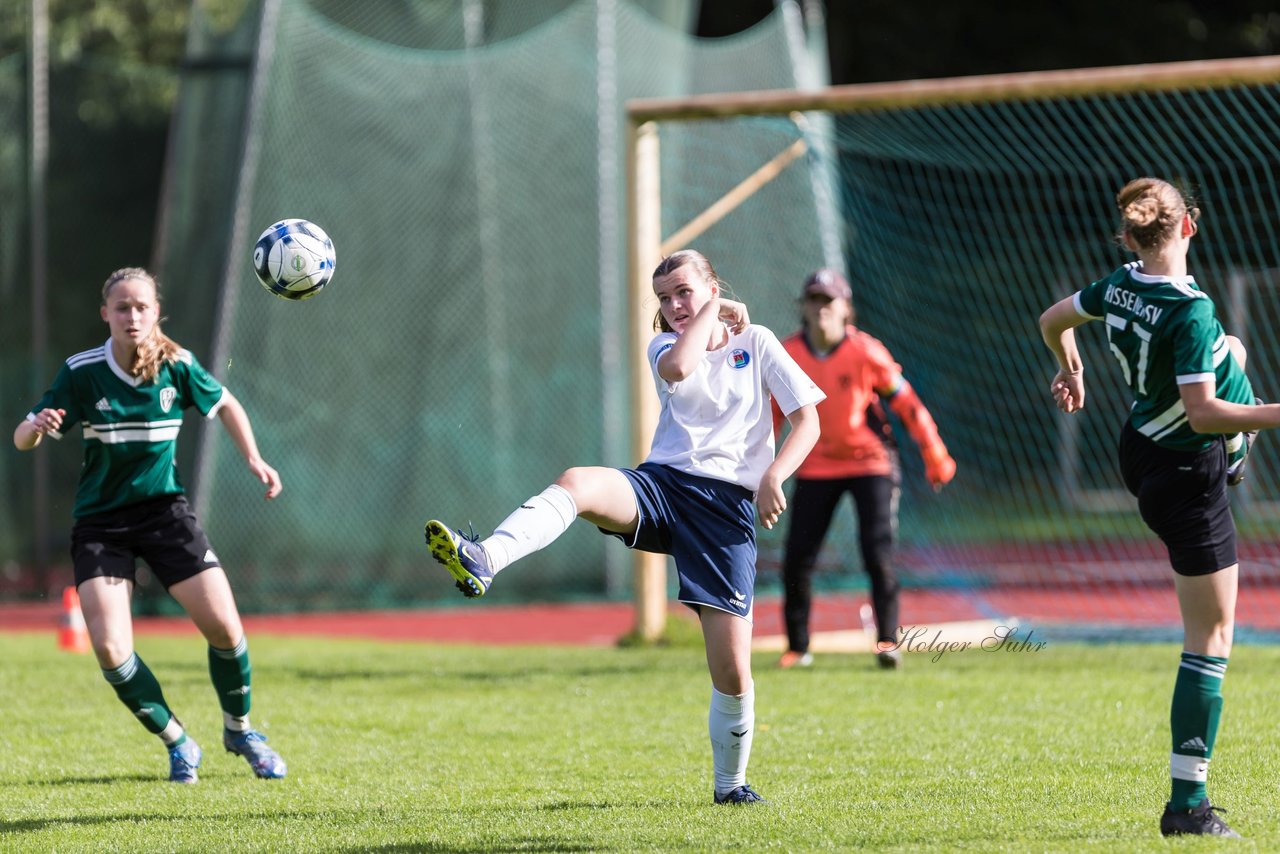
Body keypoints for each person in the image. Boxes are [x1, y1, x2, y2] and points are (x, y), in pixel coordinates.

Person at [424, 249, 823, 805]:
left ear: (711, 283)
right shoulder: (664, 342)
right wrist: (717, 308)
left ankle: (730, 786)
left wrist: (775, 473)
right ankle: (484, 557)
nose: (674, 305)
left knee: (732, 671)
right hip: (662, 488)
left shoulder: (756, 343)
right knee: (579, 482)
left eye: (685, 291)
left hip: (726, 511)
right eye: (664, 298)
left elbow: (808, 419)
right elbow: (682, 367)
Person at [1039, 177, 1275, 838]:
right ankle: (1187, 807)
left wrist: (1072, 368)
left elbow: (1053, 320)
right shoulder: (1190, 310)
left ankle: (1237, 446)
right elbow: (1202, 413)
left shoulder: (1120, 283)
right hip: (1185, 467)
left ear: (1129, 236)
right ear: (1190, 227)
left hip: (1140, 447)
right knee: (1211, 640)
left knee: (1233, 354)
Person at [13, 267, 288, 784]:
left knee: (226, 629)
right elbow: (22, 438)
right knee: (112, 651)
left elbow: (226, 403)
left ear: (156, 312)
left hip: (166, 515)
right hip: (101, 525)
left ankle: (241, 730)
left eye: (141, 306)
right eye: (122, 307)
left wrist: (254, 458)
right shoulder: (81, 371)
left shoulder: (177, 365)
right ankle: (178, 741)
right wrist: (36, 425)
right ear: (106, 315)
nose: (132, 315)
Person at [771, 269, 955, 670]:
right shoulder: (787, 354)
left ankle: (887, 642)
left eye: (829, 301)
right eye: (814, 300)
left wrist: (934, 452)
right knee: (798, 558)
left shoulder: (866, 352)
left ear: (845, 309)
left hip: (869, 461)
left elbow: (907, 404)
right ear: (803, 307)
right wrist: (760, 468)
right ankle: (797, 648)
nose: (821, 309)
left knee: (878, 553)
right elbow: (770, 418)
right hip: (816, 465)